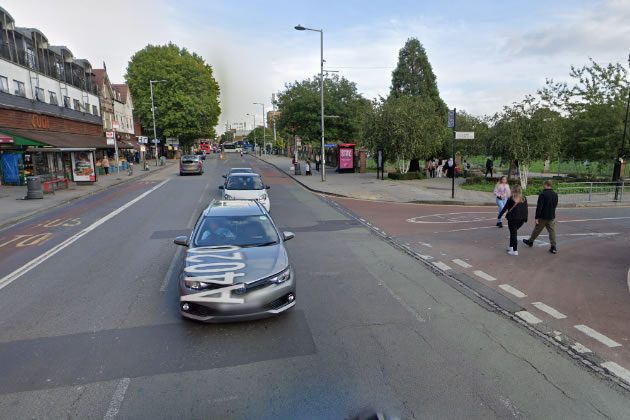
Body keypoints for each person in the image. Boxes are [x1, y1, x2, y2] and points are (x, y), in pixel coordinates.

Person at [523, 180, 559, 254]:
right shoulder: (555, 194)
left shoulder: (542, 194)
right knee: (552, 231)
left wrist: (536, 217)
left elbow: (539, 207)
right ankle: (553, 247)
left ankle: (530, 241)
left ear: (545, 185)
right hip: (551, 216)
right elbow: (555, 205)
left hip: (542, 216)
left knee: (537, 230)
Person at [498, 184, 528, 255]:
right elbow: (526, 209)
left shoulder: (511, 198)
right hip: (521, 220)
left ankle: (515, 251)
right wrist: (525, 218)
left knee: (513, 234)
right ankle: (511, 247)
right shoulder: (524, 198)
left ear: (513, 190)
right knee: (513, 233)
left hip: (513, 219)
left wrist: (499, 216)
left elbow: (505, 208)